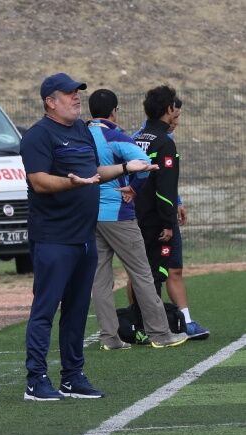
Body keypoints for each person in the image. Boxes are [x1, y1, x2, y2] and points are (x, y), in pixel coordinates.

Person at [20, 73, 157, 401]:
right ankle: (36, 380)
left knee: (78, 309)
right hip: (54, 237)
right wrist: (71, 182)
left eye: (77, 92)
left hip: (85, 235)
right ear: (50, 102)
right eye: (68, 93)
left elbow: (95, 172)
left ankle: (72, 377)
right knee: (45, 309)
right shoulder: (38, 135)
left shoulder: (82, 130)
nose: (76, 97)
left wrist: (127, 168)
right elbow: (38, 181)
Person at [87, 89, 187, 350]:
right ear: (114, 111)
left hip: (90, 214)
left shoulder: (81, 134)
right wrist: (134, 187)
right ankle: (160, 333)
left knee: (101, 279)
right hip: (118, 213)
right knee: (142, 273)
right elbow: (143, 163)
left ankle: (110, 338)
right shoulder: (115, 135)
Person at [132, 98, 210, 339]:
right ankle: (142, 323)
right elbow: (154, 183)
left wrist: (178, 201)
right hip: (153, 218)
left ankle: (185, 321)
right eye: (175, 115)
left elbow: (165, 181)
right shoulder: (150, 140)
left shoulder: (159, 138)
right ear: (166, 111)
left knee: (172, 268)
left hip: (163, 213)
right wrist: (168, 218)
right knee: (143, 272)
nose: (177, 121)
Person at [132, 85, 182, 325]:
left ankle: (139, 323)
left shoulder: (136, 138)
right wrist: (168, 223)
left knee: (139, 272)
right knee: (156, 271)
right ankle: (153, 327)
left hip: (134, 215)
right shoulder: (164, 143)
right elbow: (165, 190)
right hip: (154, 220)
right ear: (170, 108)